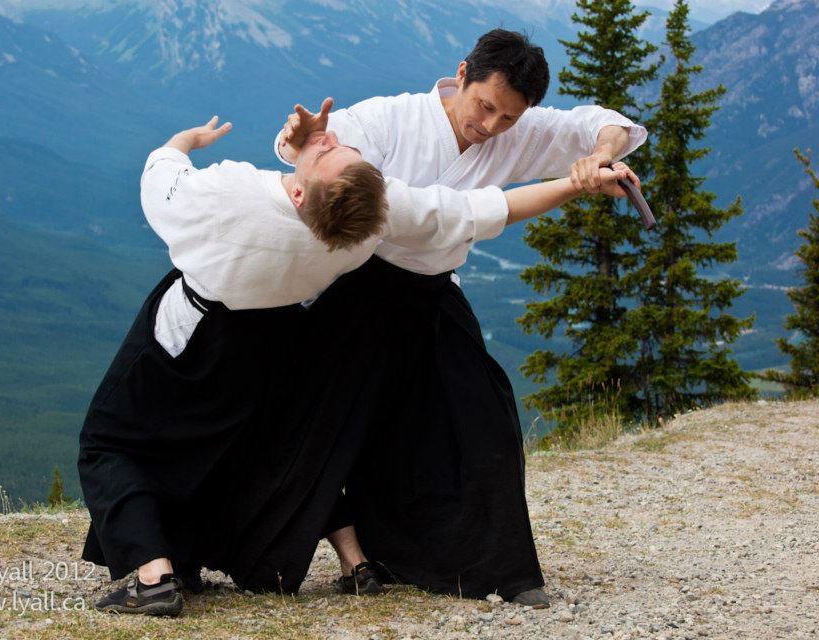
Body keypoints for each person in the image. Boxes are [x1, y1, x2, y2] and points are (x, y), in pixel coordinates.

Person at [79, 114, 632, 616]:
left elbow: (162, 178)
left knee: (111, 441)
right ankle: (350, 557)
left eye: (327, 152)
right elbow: (485, 210)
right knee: (261, 443)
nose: (330, 140)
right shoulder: (373, 222)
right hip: (274, 344)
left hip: (191, 335)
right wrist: (577, 183)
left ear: (298, 191)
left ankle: (153, 579)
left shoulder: (228, 193)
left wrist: (185, 141)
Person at [275, 28, 647, 606]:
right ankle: (347, 559)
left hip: (432, 292)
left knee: (487, 412)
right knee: (332, 426)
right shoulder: (391, 118)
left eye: (509, 116)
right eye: (485, 106)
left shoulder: (516, 131)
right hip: (355, 287)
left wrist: (598, 156)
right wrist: (295, 141)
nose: (492, 125)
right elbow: (317, 148)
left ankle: (502, 572)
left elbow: (610, 123)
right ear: (463, 73)